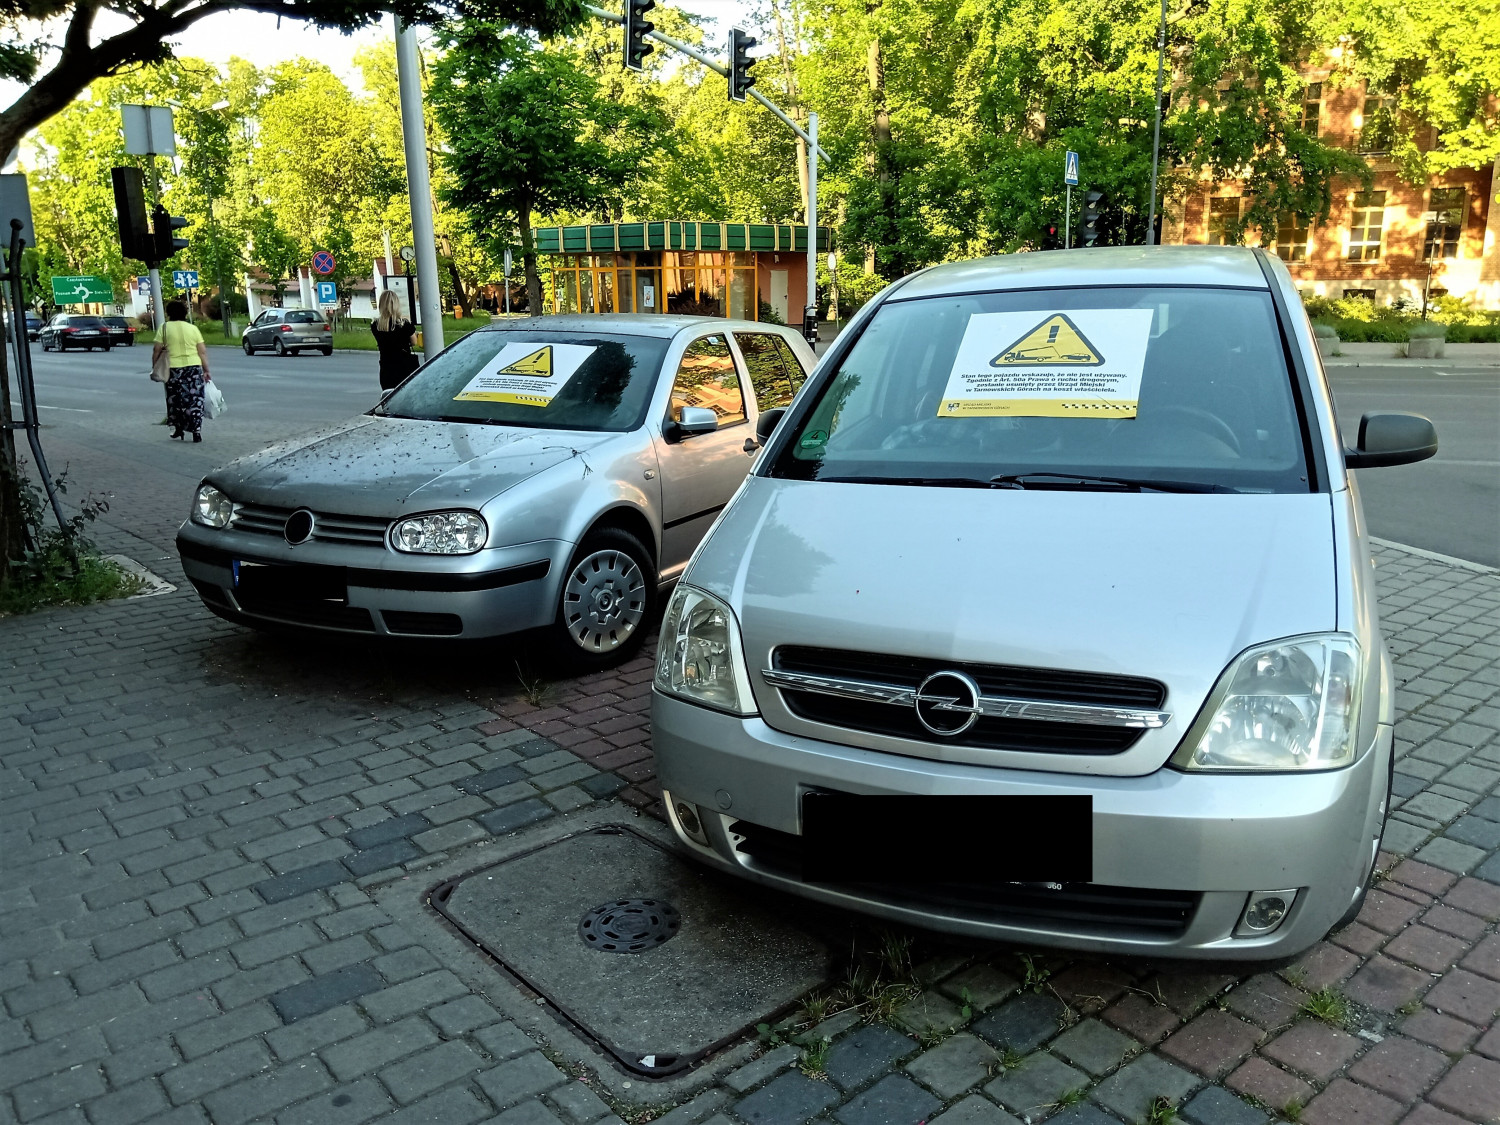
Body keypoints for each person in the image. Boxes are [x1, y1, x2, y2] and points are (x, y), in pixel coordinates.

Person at [152, 300, 211, 442]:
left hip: (173, 369)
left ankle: (178, 429)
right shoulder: (193, 329)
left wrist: (155, 366)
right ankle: (196, 431)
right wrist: (206, 369)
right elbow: (202, 352)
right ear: (185, 312)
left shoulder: (164, 328)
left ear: (168, 313)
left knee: (175, 399)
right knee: (195, 399)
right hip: (193, 368)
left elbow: (157, 349)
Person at [372, 290, 418, 391]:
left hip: (386, 368)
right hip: (404, 367)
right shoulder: (404, 324)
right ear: (396, 305)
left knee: (389, 397)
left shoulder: (376, 326)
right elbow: (414, 341)